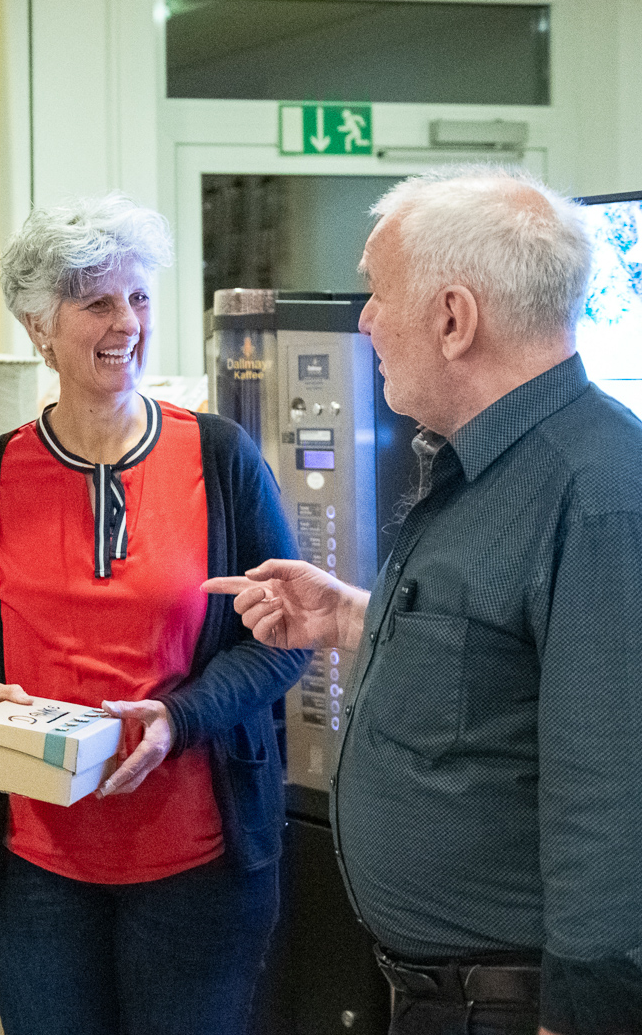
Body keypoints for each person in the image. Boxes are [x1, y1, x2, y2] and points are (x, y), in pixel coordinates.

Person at [206, 167, 642, 1035]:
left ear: (453, 319)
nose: (365, 320)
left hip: (520, 1007)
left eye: (378, 290)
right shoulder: (484, 462)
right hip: (443, 995)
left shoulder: (598, 494)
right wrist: (349, 617)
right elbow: (502, 666)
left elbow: (614, 797)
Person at [0, 195, 310, 1034]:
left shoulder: (220, 457)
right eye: (96, 302)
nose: (126, 322)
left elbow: (282, 639)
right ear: (39, 327)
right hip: (32, 869)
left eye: (137, 297)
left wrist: (180, 717)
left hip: (199, 867)